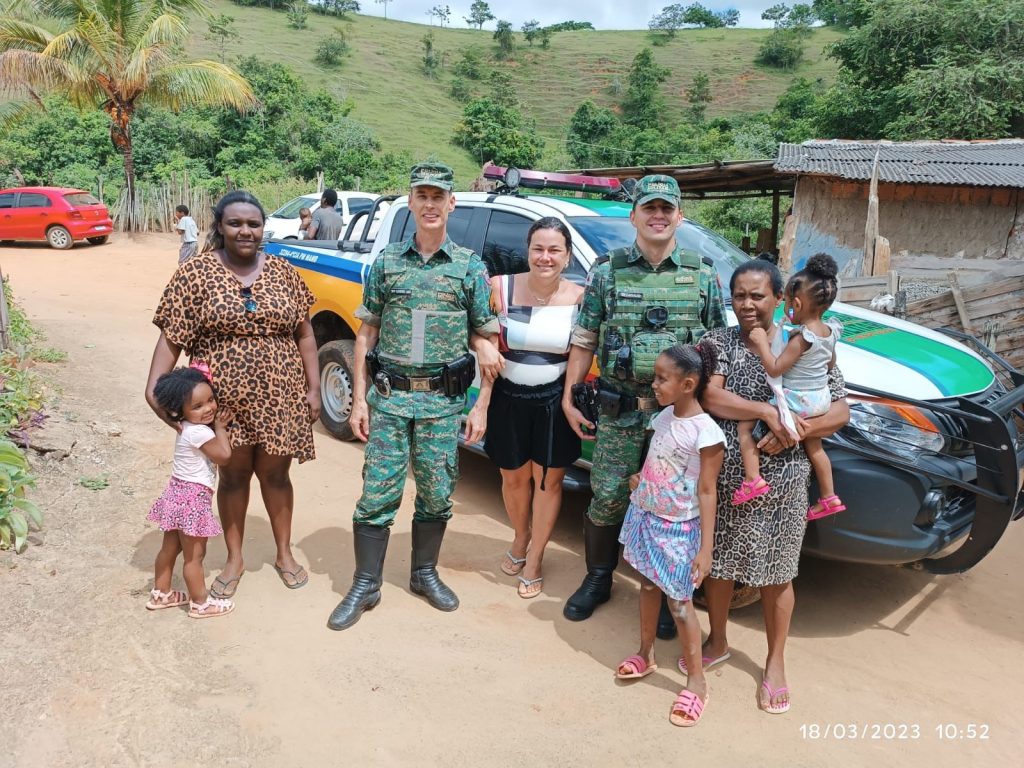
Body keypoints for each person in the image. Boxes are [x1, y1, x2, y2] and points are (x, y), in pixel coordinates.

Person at [327, 162, 499, 631]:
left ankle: (424, 573)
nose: (429, 204)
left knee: (437, 492)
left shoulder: (469, 268)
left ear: (451, 204)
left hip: (443, 407)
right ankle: (367, 583)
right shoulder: (387, 263)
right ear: (410, 202)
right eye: (421, 196)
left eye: (437, 196)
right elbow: (366, 334)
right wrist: (358, 399)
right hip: (389, 401)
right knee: (377, 492)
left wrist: (480, 403)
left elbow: (487, 339)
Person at [560, 174, 727, 626]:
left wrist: (712, 409)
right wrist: (570, 396)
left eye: (666, 209)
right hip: (622, 410)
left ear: (680, 216)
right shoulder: (606, 270)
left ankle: (670, 586)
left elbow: (716, 347)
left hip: (680, 419)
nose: (658, 216)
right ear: (633, 215)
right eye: (649, 208)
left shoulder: (703, 274)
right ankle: (598, 577)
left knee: (675, 504)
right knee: (609, 494)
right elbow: (585, 337)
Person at [147, 190, 321, 600]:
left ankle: (283, 553)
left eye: (254, 223)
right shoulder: (195, 274)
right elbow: (171, 338)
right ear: (219, 227)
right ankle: (234, 558)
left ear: (264, 228)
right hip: (221, 404)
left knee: (277, 476)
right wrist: (156, 386)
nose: (246, 230)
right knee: (234, 475)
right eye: (235, 223)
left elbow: (306, 334)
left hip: (281, 397)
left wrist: (314, 388)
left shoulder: (284, 272)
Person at [697, 256, 849, 715]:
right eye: (739, 295)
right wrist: (765, 413)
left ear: (781, 299)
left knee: (778, 572)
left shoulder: (806, 342)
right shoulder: (717, 342)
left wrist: (794, 431)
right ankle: (718, 639)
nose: (747, 304)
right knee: (721, 563)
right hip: (727, 472)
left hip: (785, 476)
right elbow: (709, 395)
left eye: (757, 295)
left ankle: (775, 662)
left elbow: (840, 411)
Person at [465, 217, 584, 599]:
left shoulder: (581, 298)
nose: (545, 257)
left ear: (566, 257)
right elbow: (475, 329)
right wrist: (481, 347)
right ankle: (521, 538)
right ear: (527, 250)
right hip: (507, 398)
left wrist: (569, 400)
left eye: (554, 250)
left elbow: (584, 351)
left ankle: (535, 557)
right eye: (538, 248)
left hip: (554, 401)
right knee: (513, 478)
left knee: (547, 483)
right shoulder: (499, 287)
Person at [614, 344, 724, 728]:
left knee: (679, 605)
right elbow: (657, 460)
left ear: (688, 384)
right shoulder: (661, 418)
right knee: (647, 586)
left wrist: (706, 548)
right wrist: (641, 481)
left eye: (662, 378)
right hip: (646, 516)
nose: (654, 383)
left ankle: (697, 684)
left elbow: (708, 490)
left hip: (679, 528)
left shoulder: (706, 433)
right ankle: (645, 654)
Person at [736, 253, 845, 519]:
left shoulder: (802, 337)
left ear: (795, 303)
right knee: (815, 448)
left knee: (745, 427)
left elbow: (774, 367)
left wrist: (762, 342)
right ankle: (829, 497)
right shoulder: (830, 332)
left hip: (799, 399)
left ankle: (753, 479)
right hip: (820, 400)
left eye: (785, 300)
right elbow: (830, 364)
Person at [145, 365, 235, 619]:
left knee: (169, 549)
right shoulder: (199, 432)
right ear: (178, 410)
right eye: (198, 406)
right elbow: (224, 456)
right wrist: (220, 428)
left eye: (210, 400)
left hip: (176, 493)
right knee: (195, 557)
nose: (208, 408)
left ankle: (161, 594)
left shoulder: (185, 426)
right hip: (193, 498)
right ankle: (200, 603)